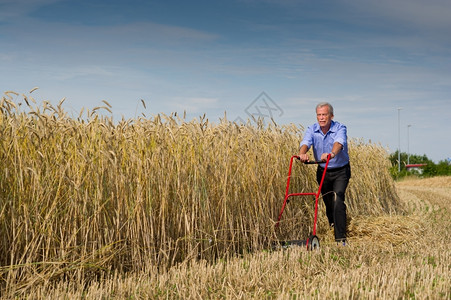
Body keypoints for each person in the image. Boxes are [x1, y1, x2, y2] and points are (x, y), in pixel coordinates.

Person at [298, 102, 351, 245]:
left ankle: (341, 239)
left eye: (324, 115)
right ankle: (333, 226)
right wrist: (302, 154)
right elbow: (305, 142)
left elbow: (339, 143)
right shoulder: (312, 129)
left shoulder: (340, 128)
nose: (321, 118)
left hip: (340, 170)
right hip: (323, 171)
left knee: (337, 198)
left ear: (331, 116)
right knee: (329, 203)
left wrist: (331, 154)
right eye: (319, 115)